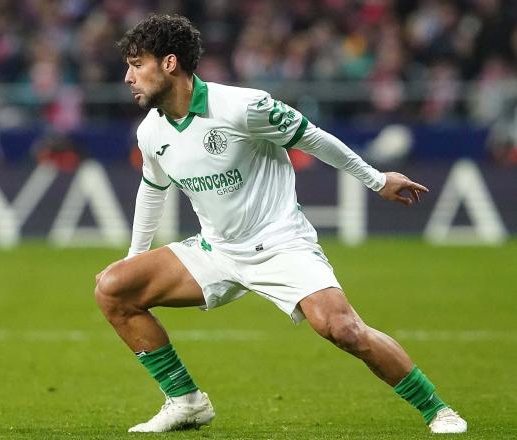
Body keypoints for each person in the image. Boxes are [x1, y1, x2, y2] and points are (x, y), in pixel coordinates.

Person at [94, 14, 467, 434]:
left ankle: (438, 410)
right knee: (113, 288)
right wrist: (135, 261)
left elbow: (314, 138)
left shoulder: (243, 106)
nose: (127, 76)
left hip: (279, 243)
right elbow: (152, 189)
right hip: (216, 250)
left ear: (169, 63)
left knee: (343, 330)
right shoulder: (151, 131)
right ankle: (186, 402)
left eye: (136, 63)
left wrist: (377, 180)